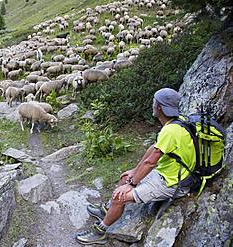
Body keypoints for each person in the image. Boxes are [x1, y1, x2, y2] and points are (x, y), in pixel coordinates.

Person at [76, 88, 196, 245]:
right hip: (170, 173)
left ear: (159, 107)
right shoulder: (176, 122)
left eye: (154, 102)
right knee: (125, 177)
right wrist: (133, 173)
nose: (153, 104)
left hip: (172, 183)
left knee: (120, 197)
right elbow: (153, 150)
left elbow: (151, 162)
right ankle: (107, 211)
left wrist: (132, 184)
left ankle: (100, 232)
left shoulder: (170, 131)